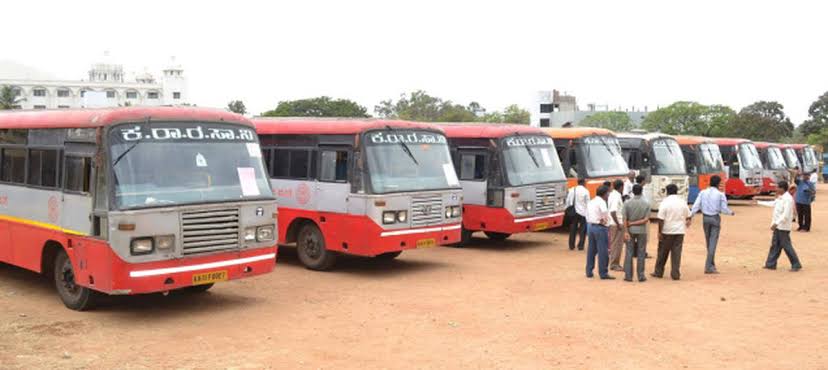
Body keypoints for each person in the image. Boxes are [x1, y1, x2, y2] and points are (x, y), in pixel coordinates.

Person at [689, 175, 734, 274]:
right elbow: (724, 209)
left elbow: (696, 206)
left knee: (708, 242)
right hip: (715, 218)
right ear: (718, 184)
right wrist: (731, 213)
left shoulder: (703, 192)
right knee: (713, 243)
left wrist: (690, 215)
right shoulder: (720, 194)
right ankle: (709, 266)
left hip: (705, 218)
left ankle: (711, 264)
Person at [652, 184, 691, 281]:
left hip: (667, 231)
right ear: (676, 191)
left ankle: (658, 272)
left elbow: (661, 219)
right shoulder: (682, 202)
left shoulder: (664, 202)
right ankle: (675, 274)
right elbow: (688, 215)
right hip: (679, 231)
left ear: (667, 192)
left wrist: (659, 232)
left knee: (662, 252)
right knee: (676, 253)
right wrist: (688, 221)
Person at [764, 181, 802, 271]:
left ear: (782, 188)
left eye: (777, 187)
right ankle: (770, 264)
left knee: (786, 246)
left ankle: (796, 264)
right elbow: (772, 204)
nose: (776, 189)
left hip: (783, 227)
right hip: (778, 226)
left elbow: (786, 215)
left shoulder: (788, 199)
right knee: (775, 245)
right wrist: (758, 202)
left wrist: (776, 223)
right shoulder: (781, 198)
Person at [623, 184, 650, 282]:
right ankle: (641, 275)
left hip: (630, 230)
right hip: (642, 231)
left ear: (633, 192)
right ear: (642, 191)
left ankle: (628, 276)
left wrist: (626, 230)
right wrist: (634, 223)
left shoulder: (627, 203)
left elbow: (624, 219)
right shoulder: (646, 203)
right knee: (641, 252)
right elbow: (646, 220)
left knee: (629, 252)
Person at [586, 185, 614, 280]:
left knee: (591, 250)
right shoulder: (602, 202)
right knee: (603, 251)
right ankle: (603, 272)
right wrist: (607, 224)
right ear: (604, 194)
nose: (608, 195)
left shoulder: (591, 201)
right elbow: (605, 215)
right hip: (600, 227)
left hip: (591, 226)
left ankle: (589, 271)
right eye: (608, 193)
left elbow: (587, 215)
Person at [607, 179, 625, 271]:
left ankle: (614, 263)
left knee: (614, 243)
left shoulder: (612, 194)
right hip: (616, 223)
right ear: (621, 187)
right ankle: (614, 264)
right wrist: (618, 224)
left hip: (613, 222)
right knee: (617, 245)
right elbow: (613, 211)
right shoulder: (616, 196)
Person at [567, 178, 590, 250]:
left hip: (574, 212)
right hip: (583, 212)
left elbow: (568, 201)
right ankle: (581, 245)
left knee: (573, 228)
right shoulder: (586, 191)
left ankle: (571, 245)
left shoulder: (572, 189)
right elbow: (588, 203)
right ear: (583, 183)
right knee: (582, 229)